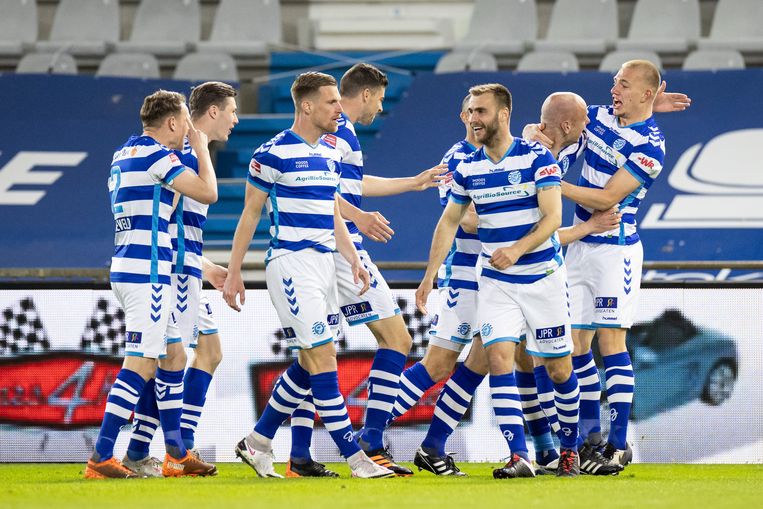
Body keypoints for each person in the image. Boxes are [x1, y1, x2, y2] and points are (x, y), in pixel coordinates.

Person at [222, 71, 394, 479]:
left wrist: (352, 258)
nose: (340, 108)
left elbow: (332, 212)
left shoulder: (332, 151)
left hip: (326, 266)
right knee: (322, 360)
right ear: (307, 106)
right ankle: (357, 459)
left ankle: (258, 441)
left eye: (339, 101)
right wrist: (233, 272)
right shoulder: (272, 153)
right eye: (332, 102)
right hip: (291, 265)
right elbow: (249, 214)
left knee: (312, 358)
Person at [284, 63, 445, 478]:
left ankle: (296, 453)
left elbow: (349, 184)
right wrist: (359, 217)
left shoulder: (341, 134)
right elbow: (323, 192)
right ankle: (371, 441)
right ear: (369, 95)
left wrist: (414, 182)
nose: (381, 107)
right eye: (381, 99)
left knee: (314, 354)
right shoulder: (337, 131)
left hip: (330, 249)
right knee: (396, 338)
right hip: (339, 250)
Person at [416, 83, 582, 479]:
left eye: (481, 112)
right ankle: (518, 455)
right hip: (495, 281)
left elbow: (553, 218)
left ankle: (570, 450)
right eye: (471, 111)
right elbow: (450, 221)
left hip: (542, 279)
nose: (473, 119)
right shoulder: (467, 166)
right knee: (498, 360)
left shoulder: (537, 157)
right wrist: (428, 277)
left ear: (503, 115)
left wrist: (518, 249)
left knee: (560, 370)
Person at [524, 60, 680, 471]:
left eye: (624, 85)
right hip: (578, 246)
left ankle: (617, 445)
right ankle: (589, 438)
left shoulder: (651, 147)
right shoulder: (597, 116)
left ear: (645, 93)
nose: (614, 89)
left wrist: (552, 181)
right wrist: (534, 136)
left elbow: (607, 197)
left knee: (611, 345)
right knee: (573, 347)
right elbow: (554, 124)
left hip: (616, 252)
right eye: (614, 82)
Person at [85, 90, 218, 479]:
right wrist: (202, 149)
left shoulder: (123, 153)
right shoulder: (158, 155)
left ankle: (176, 451)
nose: (188, 130)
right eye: (185, 123)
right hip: (148, 271)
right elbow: (207, 192)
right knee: (140, 362)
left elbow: (163, 204)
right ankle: (101, 456)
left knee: (174, 355)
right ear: (174, 123)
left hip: (130, 264)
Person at [122, 82, 239, 477]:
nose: (236, 120)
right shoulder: (184, 158)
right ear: (211, 114)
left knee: (206, 352)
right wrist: (197, 269)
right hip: (171, 274)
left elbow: (178, 227)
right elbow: (169, 225)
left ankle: (167, 447)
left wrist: (207, 268)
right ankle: (167, 450)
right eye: (231, 111)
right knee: (172, 358)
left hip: (186, 268)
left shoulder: (187, 155)